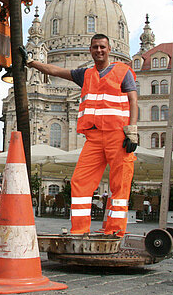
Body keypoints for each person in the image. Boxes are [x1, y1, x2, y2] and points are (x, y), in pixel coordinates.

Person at [27, 33, 139, 236]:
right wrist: (32, 62)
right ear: (90, 49)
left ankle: (114, 231)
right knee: (79, 181)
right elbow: (55, 70)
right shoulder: (85, 75)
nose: (99, 50)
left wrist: (132, 131)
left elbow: (133, 100)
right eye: (95, 47)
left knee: (120, 185)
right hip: (94, 138)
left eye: (102, 47)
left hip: (118, 136)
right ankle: (79, 230)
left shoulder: (123, 72)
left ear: (109, 49)